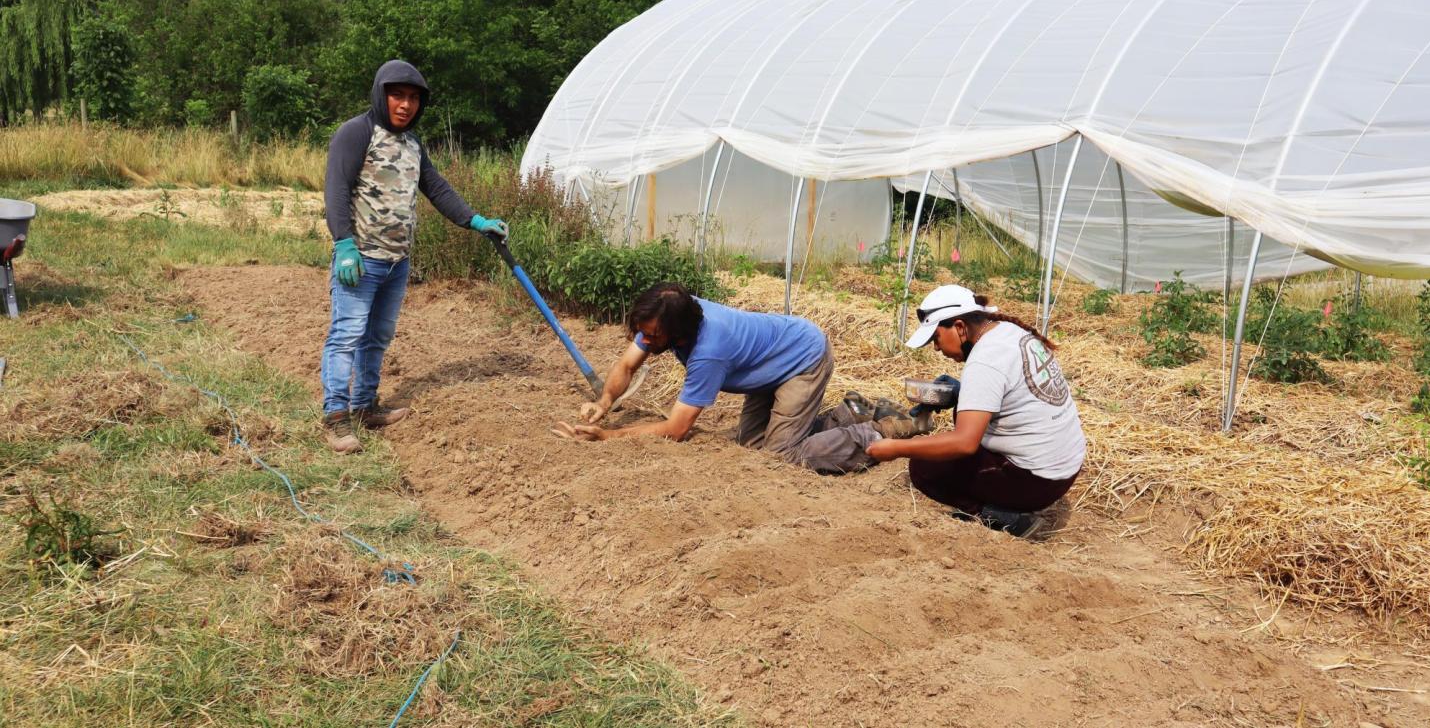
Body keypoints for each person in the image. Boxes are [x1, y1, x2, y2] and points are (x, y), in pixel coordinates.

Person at [320, 59, 509, 453]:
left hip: (397, 260)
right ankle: (336, 417)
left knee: (377, 337)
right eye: (398, 96)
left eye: (413, 99)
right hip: (361, 258)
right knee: (346, 335)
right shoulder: (356, 133)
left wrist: (474, 220)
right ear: (381, 94)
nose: (406, 105)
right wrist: (343, 244)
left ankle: (365, 406)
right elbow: (336, 189)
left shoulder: (412, 144)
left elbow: (436, 188)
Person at [864, 284, 1086, 537]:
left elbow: (964, 443)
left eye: (936, 338)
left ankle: (1000, 517)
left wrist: (896, 449)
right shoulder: (1009, 332)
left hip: (1039, 480)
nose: (937, 349)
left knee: (924, 468)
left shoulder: (984, 361)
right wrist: (959, 392)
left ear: (959, 327)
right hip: (1064, 464)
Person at [552, 282, 835, 462]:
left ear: (677, 333)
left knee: (780, 456)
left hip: (803, 357)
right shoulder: (666, 317)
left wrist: (607, 437)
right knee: (750, 445)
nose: (645, 341)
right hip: (767, 362)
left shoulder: (708, 352)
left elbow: (676, 430)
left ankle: (864, 432)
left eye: (651, 336)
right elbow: (627, 365)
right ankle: (814, 423)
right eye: (643, 333)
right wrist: (604, 402)